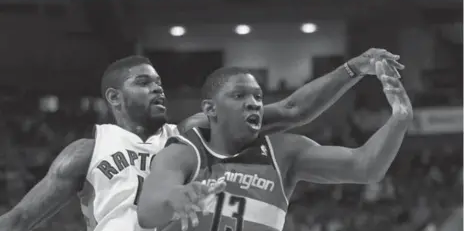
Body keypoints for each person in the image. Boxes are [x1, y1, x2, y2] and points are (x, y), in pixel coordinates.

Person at [0, 49, 402, 231]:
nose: (158, 89)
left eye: (159, 82)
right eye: (144, 83)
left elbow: (294, 110)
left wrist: (352, 68)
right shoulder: (87, 152)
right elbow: (18, 220)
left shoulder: (190, 136)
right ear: (114, 98)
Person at [137, 60, 413, 231]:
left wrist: (400, 118)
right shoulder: (184, 152)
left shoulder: (284, 152)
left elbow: (364, 167)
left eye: (258, 96)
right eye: (239, 95)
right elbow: (148, 213)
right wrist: (174, 198)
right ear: (211, 108)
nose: (253, 102)